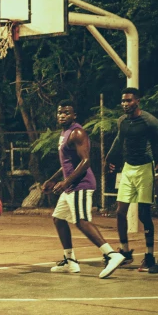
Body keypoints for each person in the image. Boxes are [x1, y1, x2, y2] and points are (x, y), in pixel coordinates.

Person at [42, 102, 124, 278]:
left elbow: (85, 162)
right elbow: (67, 165)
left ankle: (112, 254)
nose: (62, 115)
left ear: (74, 116)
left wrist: (65, 183)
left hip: (81, 184)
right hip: (70, 185)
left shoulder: (77, 133)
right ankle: (70, 261)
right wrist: (52, 180)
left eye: (66, 113)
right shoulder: (63, 133)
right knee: (58, 218)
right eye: (59, 112)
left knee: (81, 220)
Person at [106, 88, 158, 271]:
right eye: (123, 101)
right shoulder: (122, 121)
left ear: (137, 101)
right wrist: (110, 158)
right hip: (128, 169)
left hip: (145, 168)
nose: (125, 104)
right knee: (120, 211)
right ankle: (124, 252)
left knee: (144, 214)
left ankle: (149, 255)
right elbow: (118, 140)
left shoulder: (150, 121)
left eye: (128, 100)